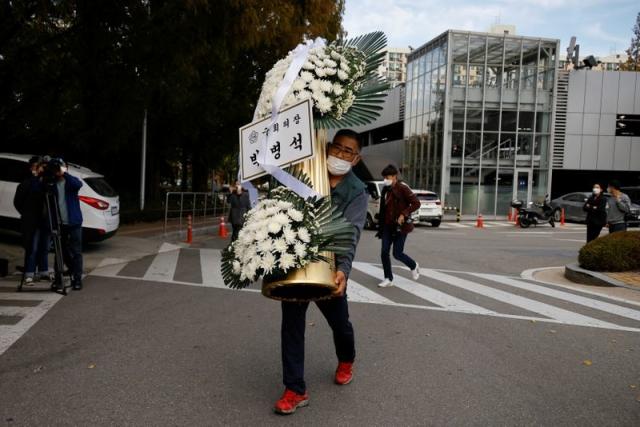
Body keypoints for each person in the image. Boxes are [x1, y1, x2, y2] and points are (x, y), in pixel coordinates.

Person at [274, 129, 368, 415]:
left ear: (356, 158)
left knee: (340, 325)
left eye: (347, 151)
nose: (339, 155)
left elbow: (351, 233)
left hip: (330, 270)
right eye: (336, 148)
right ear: (327, 147)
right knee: (291, 326)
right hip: (298, 265)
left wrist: (343, 270)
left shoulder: (357, 191)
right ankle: (295, 389)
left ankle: (346, 359)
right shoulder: (308, 174)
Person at [376, 164, 421, 288]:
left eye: (388, 177)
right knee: (384, 252)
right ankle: (388, 278)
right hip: (387, 226)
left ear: (394, 176)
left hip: (400, 226)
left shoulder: (402, 188)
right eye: (384, 177)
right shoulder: (386, 189)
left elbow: (416, 203)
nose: (385, 179)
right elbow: (384, 208)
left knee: (397, 253)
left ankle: (413, 265)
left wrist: (403, 214)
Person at [13, 156, 51, 285]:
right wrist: (27, 215)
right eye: (37, 167)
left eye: (41, 167)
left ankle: (43, 272)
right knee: (32, 248)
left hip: (45, 221)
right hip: (32, 222)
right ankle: (29, 274)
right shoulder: (26, 183)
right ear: (31, 168)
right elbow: (17, 202)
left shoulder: (46, 182)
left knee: (45, 247)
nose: (40, 169)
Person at [51, 159, 84, 290]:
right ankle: (58, 279)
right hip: (59, 223)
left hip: (74, 222)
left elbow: (78, 185)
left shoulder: (70, 181)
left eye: (61, 167)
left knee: (76, 251)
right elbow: (39, 188)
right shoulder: (52, 183)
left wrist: (64, 173)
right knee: (59, 252)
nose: (58, 170)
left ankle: (77, 280)